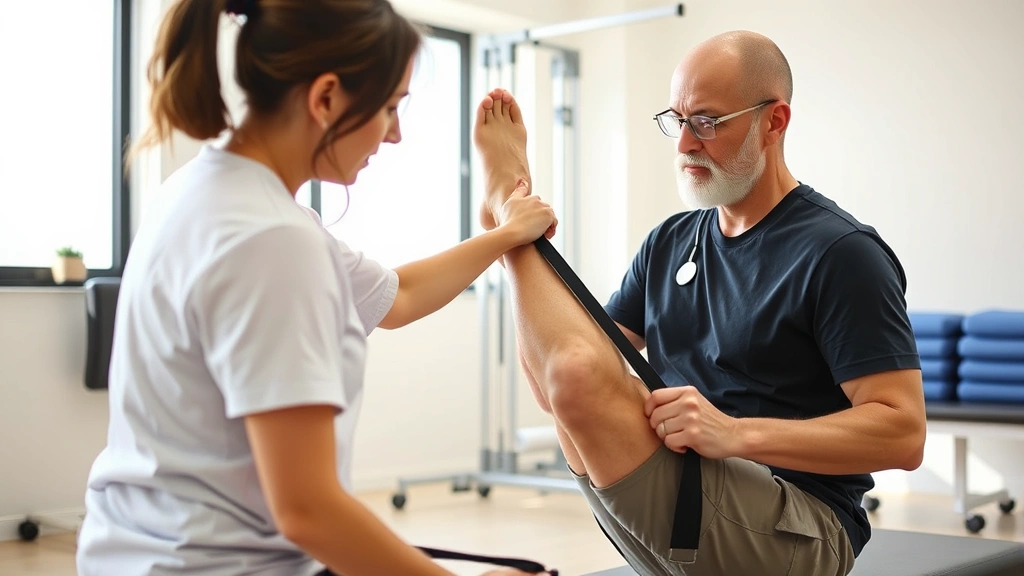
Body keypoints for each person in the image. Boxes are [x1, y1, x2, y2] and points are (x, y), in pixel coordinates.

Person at [75, 1, 557, 575]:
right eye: (390, 107)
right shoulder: (272, 240)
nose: (397, 134)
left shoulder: (203, 192)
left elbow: (396, 297)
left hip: (132, 553)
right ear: (326, 97)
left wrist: (504, 234)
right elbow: (307, 510)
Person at [472, 30, 926, 576]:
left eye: (708, 122)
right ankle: (512, 236)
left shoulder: (840, 253)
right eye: (677, 120)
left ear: (774, 122)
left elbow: (904, 434)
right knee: (570, 379)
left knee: (576, 371)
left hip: (801, 525)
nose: (685, 143)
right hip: (691, 490)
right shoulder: (670, 241)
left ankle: (510, 219)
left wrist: (734, 432)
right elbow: (556, 393)